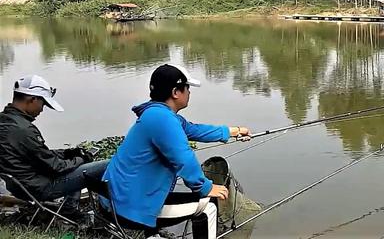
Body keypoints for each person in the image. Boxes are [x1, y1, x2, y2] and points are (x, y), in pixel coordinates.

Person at [102, 64, 251, 239]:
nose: (189, 92)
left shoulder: (156, 113)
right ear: (175, 92)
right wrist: (205, 187)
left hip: (116, 199)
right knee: (208, 205)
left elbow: (195, 130)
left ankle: (152, 234)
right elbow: (184, 158)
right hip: (130, 208)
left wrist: (234, 131)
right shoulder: (164, 119)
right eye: (187, 88)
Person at [0, 75, 109, 217]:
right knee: (107, 164)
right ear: (33, 99)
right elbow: (56, 167)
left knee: (73, 162)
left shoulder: (5, 121)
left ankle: (69, 210)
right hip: (39, 188)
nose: (42, 110)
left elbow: (35, 153)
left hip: (17, 185)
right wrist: (82, 159)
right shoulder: (23, 130)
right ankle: (80, 211)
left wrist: (67, 153)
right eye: (43, 104)